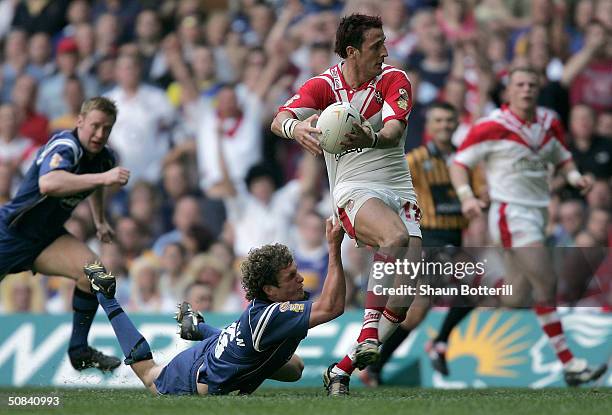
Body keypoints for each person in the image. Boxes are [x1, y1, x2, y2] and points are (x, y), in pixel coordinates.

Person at [271, 14, 421, 396]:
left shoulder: (393, 79)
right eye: (376, 46)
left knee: (405, 297)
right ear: (352, 52)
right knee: (394, 238)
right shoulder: (324, 86)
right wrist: (296, 127)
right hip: (353, 187)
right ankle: (369, 330)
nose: (385, 52)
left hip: (398, 188)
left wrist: (367, 136)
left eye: (385, 43)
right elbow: (280, 119)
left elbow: (393, 132)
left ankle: (342, 368)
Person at [449, 66, 607, 386]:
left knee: (516, 294)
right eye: (519, 84)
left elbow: (561, 155)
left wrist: (576, 178)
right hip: (510, 213)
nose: (526, 90)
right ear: (508, 91)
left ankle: (470, 286)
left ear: (539, 89)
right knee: (546, 279)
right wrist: (467, 197)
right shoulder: (491, 125)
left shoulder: (549, 122)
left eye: (532, 85)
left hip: (538, 214)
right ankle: (570, 363)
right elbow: (459, 163)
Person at [86, 217, 346, 396]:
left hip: (219, 350)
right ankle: (107, 299)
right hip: (193, 374)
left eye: (296, 271)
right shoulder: (271, 314)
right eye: (290, 276)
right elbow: (332, 307)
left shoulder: (264, 309)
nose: (300, 278)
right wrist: (334, 248)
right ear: (270, 290)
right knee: (149, 375)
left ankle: (199, 328)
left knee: (295, 370)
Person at [0, 96, 130, 372]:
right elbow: (49, 183)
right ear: (79, 122)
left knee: (94, 273)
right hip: (11, 233)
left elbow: (95, 184)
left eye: (107, 128)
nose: (100, 134)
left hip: (46, 239)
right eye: (95, 126)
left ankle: (79, 350)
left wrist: (100, 220)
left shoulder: (104, 157)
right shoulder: (65, 145)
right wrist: (104, 178)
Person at [361, 102, 480, 386]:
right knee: (474, 278)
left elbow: (480, 191)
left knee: (415, 313)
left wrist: (481, 200)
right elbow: (389, 189)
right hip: (428, 239)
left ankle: (374, 367)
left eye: (449, 121)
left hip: (455, 238)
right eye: (438, 121)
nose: (445, 126)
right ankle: (439, 343)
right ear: (428, 126)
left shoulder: (465, 161)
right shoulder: (414, 160)